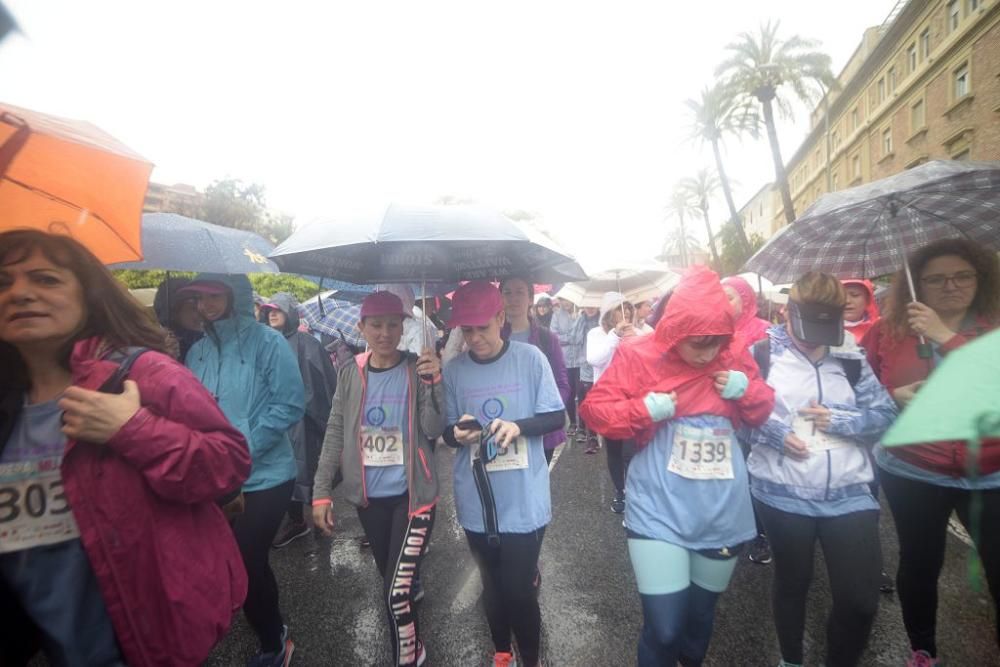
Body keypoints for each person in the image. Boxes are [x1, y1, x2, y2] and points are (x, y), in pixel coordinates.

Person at [0, 230, 251, 667]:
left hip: (152, 643)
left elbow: (228, 460)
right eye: (3, 282)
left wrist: (133, 428)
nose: (21, 293)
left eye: (45, 279)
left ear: (88, 295)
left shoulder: (141, 372)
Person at [580, 266, 774, 667]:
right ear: (674, 332)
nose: (706, 353)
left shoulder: (733, 355)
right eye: (696, 343)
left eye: (714, 342)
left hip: (721, 512)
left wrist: (747, 391)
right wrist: (642, 410)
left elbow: (762, 410)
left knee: (699, 623)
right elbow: (594, 410)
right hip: (658, 510)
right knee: (665, 629)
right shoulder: (640, 355)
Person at [742, 272, 897, 667]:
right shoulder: (760, 354)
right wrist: (776, 433)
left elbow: (885, 414)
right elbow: (737, 415)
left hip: (849, 492)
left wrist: (841, 420)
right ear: (786, 312)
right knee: (793, 582)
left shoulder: (850, 356)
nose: (813, 337)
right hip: (780, 491)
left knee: (860, 601)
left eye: (824, 326)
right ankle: (791, 660)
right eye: (806, 325)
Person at [861, 238, 1000, 666]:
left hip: (991, 470)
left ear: (981, 277)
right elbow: (858, 394)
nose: (951, 286)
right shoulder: (888, 331)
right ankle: (922, 650)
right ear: (915, 284)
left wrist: (945, 336)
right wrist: (891, 395)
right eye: (935, 279)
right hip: (912, 469)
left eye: (962, 276)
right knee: (920, 565)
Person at [312, 291, 443, 667]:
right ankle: (410, 644)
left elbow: (434, 428)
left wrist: (434, 382)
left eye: (392, 324)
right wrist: (321, 492)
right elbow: (335, 431)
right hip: (369, 499)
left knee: (396, 594)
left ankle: (408, 657)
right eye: (376, 325)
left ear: (404, 327)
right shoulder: (350, 371)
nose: (385, 332)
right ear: (361, 327)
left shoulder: (419, 368)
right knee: (392, 585)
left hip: (413, 497)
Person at [183, 274, 305, 667]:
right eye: (199, 298)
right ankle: (274, 628)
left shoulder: (267, 343)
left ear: (235, 294)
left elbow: (289, 404)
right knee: (245, 563)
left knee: (246, 558)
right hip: (217, 479)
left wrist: (238, 449)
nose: (205, 305)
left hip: (268, 476)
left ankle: (273, 643)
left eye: (214, 295)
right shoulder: (196, 353)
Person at [442, 281, 565, 667]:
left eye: (483, 327)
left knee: (519, 590)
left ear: (500, 318)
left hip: (523, 498)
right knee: (491, 585)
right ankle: (501, 651)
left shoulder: (530, 359)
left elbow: (556, 416)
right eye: (467, 330)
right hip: (477, 498)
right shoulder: (455, 371)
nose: (475, 337)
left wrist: (518, 426)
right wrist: (457, 432)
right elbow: (447, 433)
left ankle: (530, 657)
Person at [259, 293, 338, 548]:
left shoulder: (307, 343)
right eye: (268, 310)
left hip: (306, 422)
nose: (272, 314)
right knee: (286, 470)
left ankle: (317, 513)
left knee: (310, 467)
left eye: (278, 310)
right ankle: (296, 520)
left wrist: (317, 418)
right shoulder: (265, 344)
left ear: (289, 313)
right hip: (277, 422)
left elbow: (323, 385)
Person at [501, 278, 570, 465]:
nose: (513, 298)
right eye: (507, 292)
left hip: (541, 431)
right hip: (504, 428)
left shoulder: (547, 339)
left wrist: (546, 413)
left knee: (537, 487)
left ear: (531, 299)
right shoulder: (493, 338)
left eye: (520, 292)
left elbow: (562, 384)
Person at [586, 293, 636, 513]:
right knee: (614, 449)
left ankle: (636, 490)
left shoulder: (638, 332)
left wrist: (634, 339)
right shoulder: (596, 334)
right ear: (609, 312)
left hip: (633, 397)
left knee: (632, 449)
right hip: (607, 399)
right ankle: (620, 492)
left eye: (629, 309)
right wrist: (615, 336)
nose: (626, 313)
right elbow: (595, 359)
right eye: (620, 309)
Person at [550, 297, 585, 441]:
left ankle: (583, 427)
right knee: (569, 394)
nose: (565, 303)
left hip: (581, 360)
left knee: (582, 394)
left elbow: (582, 337)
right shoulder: (557, 315)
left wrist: (571, 335)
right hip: (565, 361)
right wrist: (570, 337)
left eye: (567, 300)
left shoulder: (581, 314)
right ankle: (573, 422)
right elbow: (554, 335)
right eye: (562, 300)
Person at [152, 276, 203, 361]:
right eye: (193, 308)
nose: (201, 312)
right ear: (174, 311)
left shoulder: (208, 339)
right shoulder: (159, 345)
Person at [577, 306, 602, 454]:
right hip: (585, 367)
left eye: (593, 305)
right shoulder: (580, 320)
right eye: (587, 305)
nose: (590, 308)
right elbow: (573, 338)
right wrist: (580, 321)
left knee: (601, 403)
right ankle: (591, 437)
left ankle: (606, 432)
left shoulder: (604, 321)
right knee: (588, 402)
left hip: (602, 367)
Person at [722, 276, 771, 346]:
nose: (723, 302)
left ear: (745, 300)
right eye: (720, 298)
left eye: (729, 298)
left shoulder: (763, 329)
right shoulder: (716, 329)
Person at [842, 279, 880, 345]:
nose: (847, 301)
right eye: (840, 296)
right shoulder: (822, 330)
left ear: (868, 299)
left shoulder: (881, 328)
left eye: (855, 295)